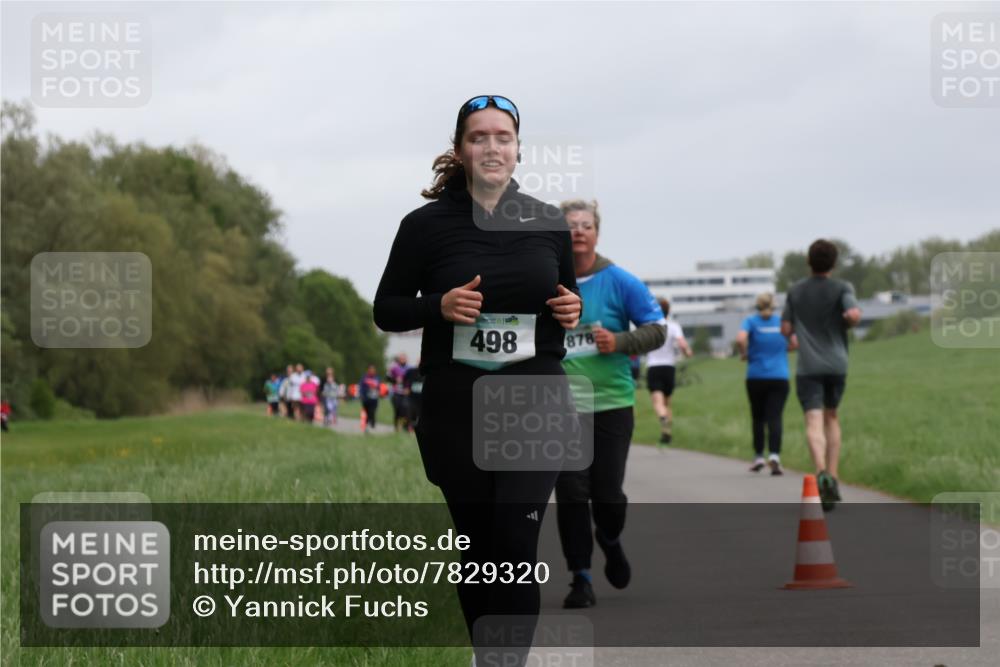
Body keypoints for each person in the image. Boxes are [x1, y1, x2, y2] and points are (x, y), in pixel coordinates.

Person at [373, 95, 581, 664]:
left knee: (514, 545)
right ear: (460, 149)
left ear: (518, 149)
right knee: (480, 553)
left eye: (502, 136)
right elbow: (387, 309)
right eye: (478, 136)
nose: (492, 146)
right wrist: (438, 305)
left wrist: (572, 310)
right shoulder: (424, 227)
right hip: (456, 407)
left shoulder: (548, 222)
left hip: (535, 401)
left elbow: (565, 300)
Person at [557, 199, 666, 609]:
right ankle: (580, 577)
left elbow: (657, 329)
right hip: (560, 407)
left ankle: (610, 537)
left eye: (586, 225)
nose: (578, 231)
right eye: (570, 225)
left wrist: (619, 341)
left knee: (607, 494)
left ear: (597, 234)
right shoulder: (546, 281)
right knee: (571, 493)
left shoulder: (620, 281)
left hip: (611, 402)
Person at [781, 239, 862, 511]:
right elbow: (853, 314)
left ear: (808, 261)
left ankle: (821, 472)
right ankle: (834, 475)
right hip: (837, 364)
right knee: (832, 417)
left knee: (813, 420)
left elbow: (785, 328)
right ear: (834, 263)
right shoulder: (842, 288)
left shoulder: (796, 291)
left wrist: (795, 335)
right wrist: (849, 319)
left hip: (808, 366)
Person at [736, 293, 796, 475]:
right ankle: (775, 456)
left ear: (757, 305)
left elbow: (740, 339)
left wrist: (744, 354)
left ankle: (759, 457)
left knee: (758, 418)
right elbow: (795, 342)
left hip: (756, 376)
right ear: (774, 305)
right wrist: (785, 348)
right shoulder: (781, 322)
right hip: (779, 376)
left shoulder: (750, 321)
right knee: (775, 417)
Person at [645, 297, 693, 444]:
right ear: (668, 311)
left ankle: (662, 418)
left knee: (657, 402)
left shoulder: (649, 326)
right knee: (667, 403)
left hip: (654, 367)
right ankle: (666, 432)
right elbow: (682, 344)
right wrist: (687, 352)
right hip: (669, 368)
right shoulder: (673, 326)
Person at [387, 354, 411, 432]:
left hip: (405, 393)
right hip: (396, 392)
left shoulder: (410, 368)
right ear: (399, 359)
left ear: (406, 359)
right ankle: (396, 427)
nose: (403, 360)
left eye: (404, 358)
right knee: (397, 410)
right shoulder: (394, 368)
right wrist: (395, 380)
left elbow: (412, 379)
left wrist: (409, 388)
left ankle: (405, 426)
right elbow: (388, 378)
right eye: (401, 358)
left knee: (405, 410)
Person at [403, 358, 425, 432]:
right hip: (412, 397)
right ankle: (409, 426)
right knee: (409, 411)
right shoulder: (412, 371)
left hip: (422, 398)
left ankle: (418, 427)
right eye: (420, 362)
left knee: (420, 413)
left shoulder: (428, 373)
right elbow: (405, 379)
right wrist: (406, 387)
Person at [359, 364, 381, 433]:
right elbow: (361, 386)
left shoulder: (377, 378)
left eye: (373, 370)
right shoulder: (364, 377)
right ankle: (367, 426)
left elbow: (379, 387)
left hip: (374, 399)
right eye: (370, 369)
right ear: (368, 370)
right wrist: (361, 394)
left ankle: (372, 422)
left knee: (373, 411)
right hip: (366, 398)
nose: (372, 371)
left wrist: (379, 392)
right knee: (367, 412)